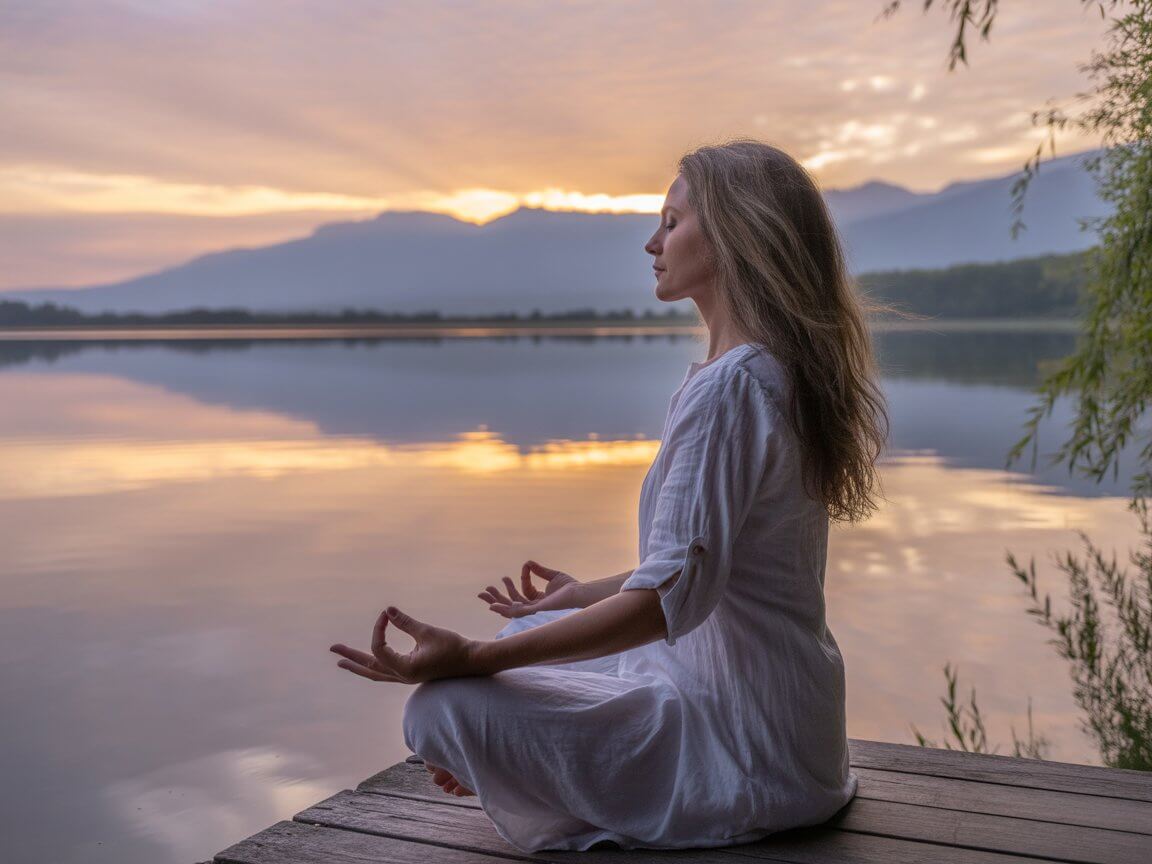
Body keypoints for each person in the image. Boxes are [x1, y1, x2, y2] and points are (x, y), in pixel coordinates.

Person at [329, 138, 891, 853]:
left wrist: (468, 658)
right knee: (526, 634)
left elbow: (665, 602)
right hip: (791, 736)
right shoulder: (766, 375)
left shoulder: (733, 389)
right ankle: (539, 770)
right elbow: (714, 570)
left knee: (442, 708)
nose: (652, 242)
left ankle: (555, 782)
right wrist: (576, 597)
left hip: (749, 756)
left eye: (672, 221)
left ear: (731, 236)